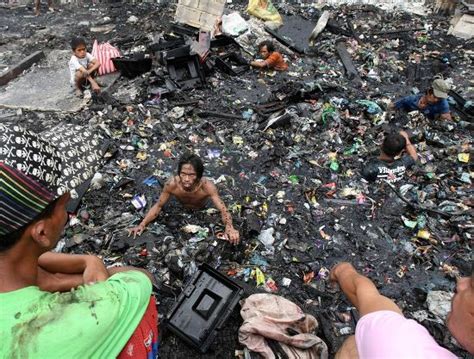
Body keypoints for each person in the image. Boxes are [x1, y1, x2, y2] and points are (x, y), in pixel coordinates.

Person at [0, 124, 158, 358]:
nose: (67, 212)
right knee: (143, 315)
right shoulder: (71, 323)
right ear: (41, 233)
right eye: (63, 205)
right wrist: (94, 268)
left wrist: (70, 271)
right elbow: (142, 279)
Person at [330, 262, 473, 358]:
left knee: (354, 345)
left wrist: (342, 270)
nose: (461, 283)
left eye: (472, 286)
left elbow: (365, 295)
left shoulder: (399, 344)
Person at [128, 153, 240, 244]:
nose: (186, 179)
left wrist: (229, 227)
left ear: (199, 175)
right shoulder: (172, 184)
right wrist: (142, 224)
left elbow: (223, 209)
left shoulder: (207, 187)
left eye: (191, 175)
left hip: (201, 208)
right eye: (183, 174)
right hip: (180, 207)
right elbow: (159, 205)